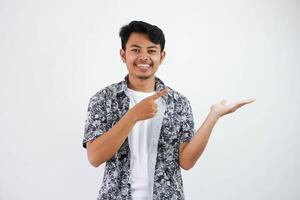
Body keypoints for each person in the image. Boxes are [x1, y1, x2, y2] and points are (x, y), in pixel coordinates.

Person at [82, 20, 255, 200]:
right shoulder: (103, 99)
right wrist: (133, 115)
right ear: (123, 54)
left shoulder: (178, 102)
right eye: (135, 50)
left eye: (151, 51)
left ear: (161, 56)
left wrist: (213, 116)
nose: (143, 56)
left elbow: (186, 162)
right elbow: (95, 157)